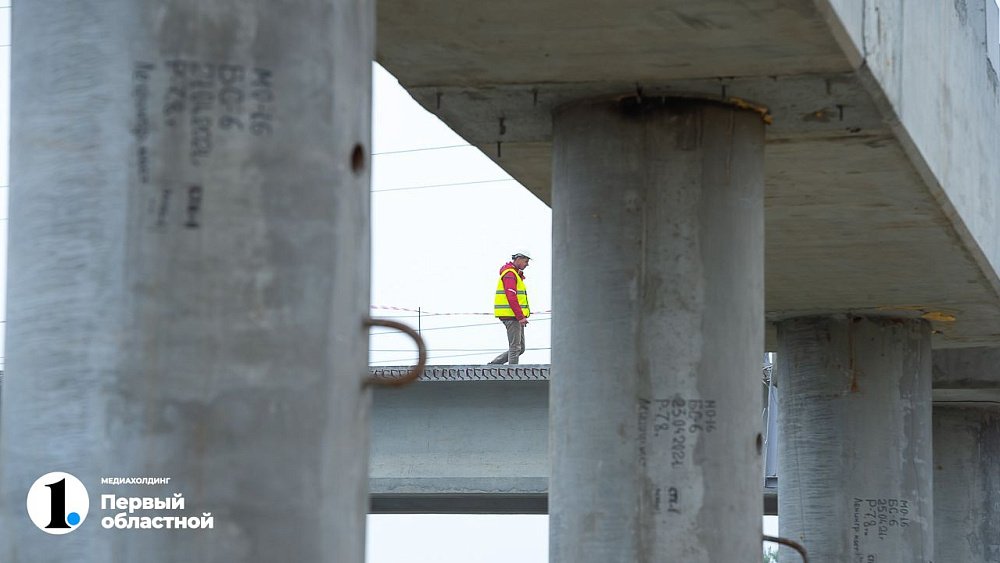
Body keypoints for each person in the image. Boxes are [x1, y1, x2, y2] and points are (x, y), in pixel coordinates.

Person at [488, 250, 531, 365]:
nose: (527, 264)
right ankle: (512, 373)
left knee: (520, 348)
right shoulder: (510, 274)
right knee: (515, 347)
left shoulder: (514, 274)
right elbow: (511, 296)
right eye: (526, 261)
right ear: (519, 259)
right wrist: (520, 316)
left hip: (514, 315)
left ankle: (493, 365)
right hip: (511, 315)